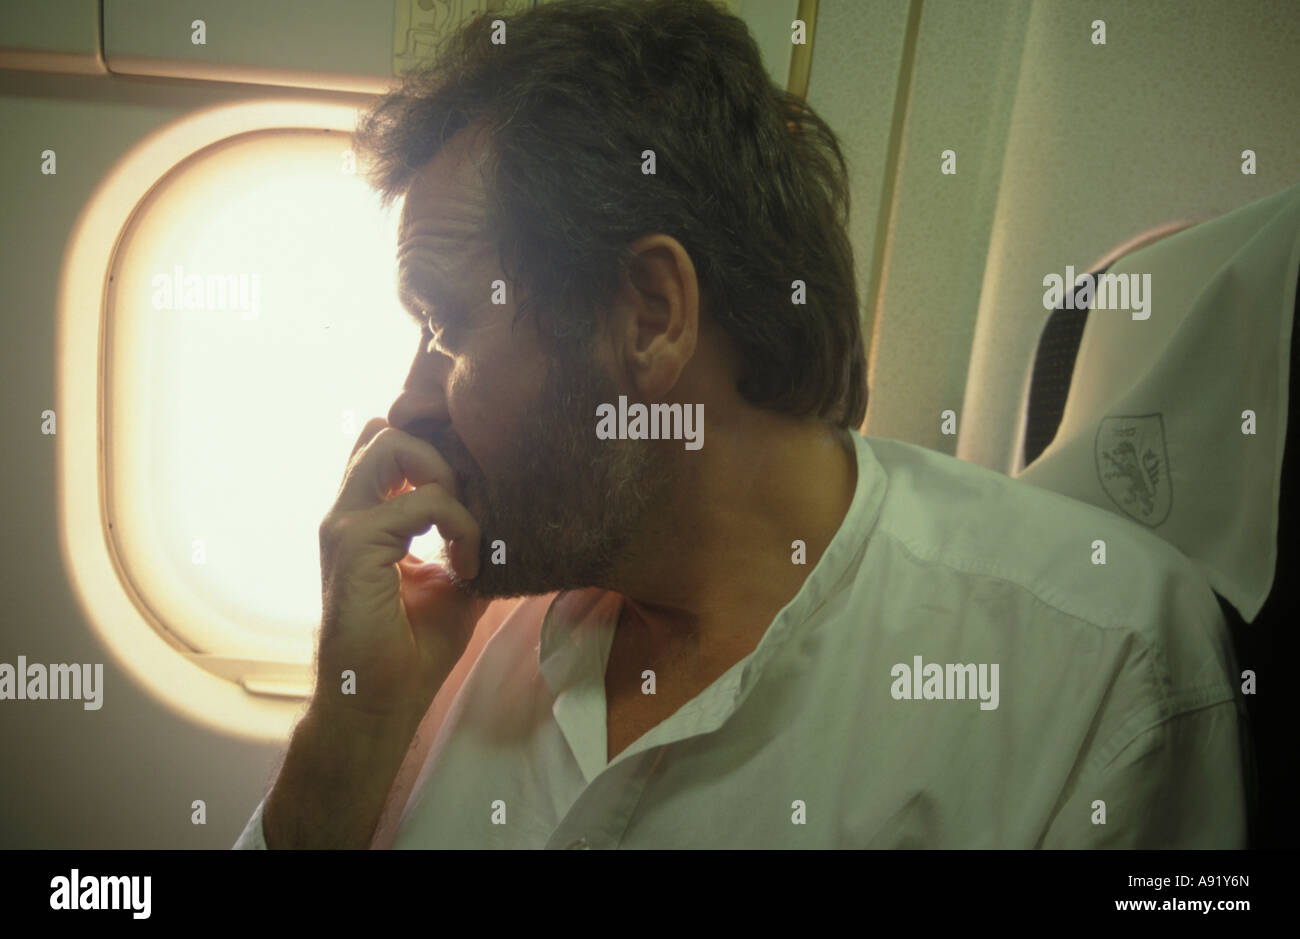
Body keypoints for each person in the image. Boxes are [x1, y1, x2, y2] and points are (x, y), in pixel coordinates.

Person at [234, 0, 1247, 849]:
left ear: (650, 315)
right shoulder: (436, 640)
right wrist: (349, 739)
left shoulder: (1091, 664)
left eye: (447, 327)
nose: (407, 404)